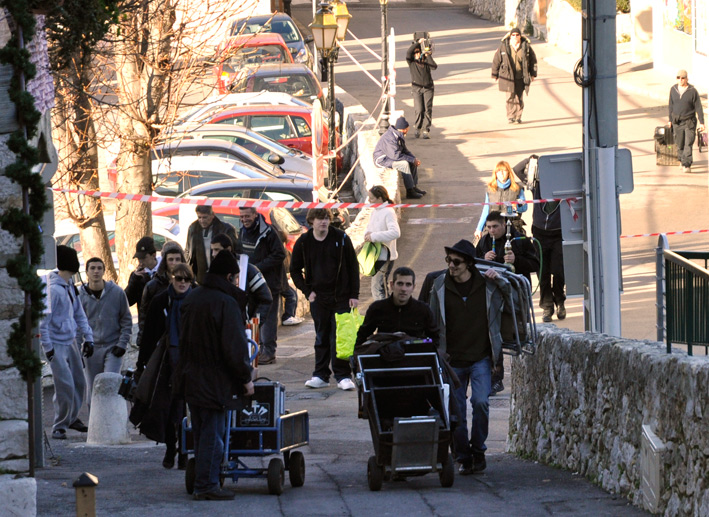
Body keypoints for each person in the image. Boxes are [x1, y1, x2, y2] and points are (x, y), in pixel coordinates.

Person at [174, 250, 254, 501]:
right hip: (214, 379)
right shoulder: (225, 303)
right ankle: (207, 485)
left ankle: (204, 480)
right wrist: (245, 378)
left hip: (191, 376)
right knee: (213, 434)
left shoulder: (192, 297)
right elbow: (234, 346)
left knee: (200, 432)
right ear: (229, 276)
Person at [427, 240, 499, 475]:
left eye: (456, 262)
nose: (451, 266)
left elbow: (514, 299)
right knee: (455, 412)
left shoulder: (487, 284)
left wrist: (498, 277)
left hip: (480, 358)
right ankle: (462, 456)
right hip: (451, 361)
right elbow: (429, 318)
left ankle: (478, 451)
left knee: (481, 402)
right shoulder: (438, 285)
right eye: (448, 261)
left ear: (469, 263)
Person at [290, 208, 359, 391]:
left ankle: (343, 375)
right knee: (321, 336)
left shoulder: (341, 238)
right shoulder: (304, 242)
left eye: (326, 219)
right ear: (311, 221)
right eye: (319, 219)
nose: (323, 222)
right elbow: (295, 270)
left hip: (341, 296)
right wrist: (307, 292)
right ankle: (320, 374)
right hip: (318, 297)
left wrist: (354, 294)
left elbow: (353, 266)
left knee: (340, 337)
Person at [140, 263, 194, 470]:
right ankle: (173, 449)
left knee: (188, 409)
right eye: (178, 278)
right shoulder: (161, 300)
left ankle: (184, 452)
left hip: (191, 361)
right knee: (171, 410)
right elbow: (149, 334)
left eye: (186, 279)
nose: (182, 282)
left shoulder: (196, 300)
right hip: (167, 361)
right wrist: (142, 363)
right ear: (171, 278)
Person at [40, 245, 94, 439]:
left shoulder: (70, 285)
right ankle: (59, 425)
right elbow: (43, 322)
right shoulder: (53, 290)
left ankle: (71, 417)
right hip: (56, 343)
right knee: (64, 385)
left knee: (79, 383)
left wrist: (88, 337)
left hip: (70, 340)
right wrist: (49, 348)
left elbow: (79, 313)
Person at [514, 155, 566, 323]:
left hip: (558, 233)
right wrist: (531, 160)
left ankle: (559, 300)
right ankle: (547, 307)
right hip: (540, 233)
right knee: (542, 273)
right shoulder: (536, 185)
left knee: (558, 272)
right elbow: (516, 169)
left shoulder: (563, 186)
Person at [78, 257, 132, 412]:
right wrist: (78, 349)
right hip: (91, 348)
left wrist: (122, 344)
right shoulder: (80, 296)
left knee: (110, 384)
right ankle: (95, 427)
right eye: (92, 268)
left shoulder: (117, 293)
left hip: (112, 346)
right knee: (93, 388)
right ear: (86, 272)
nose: (96, 271)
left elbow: (126, 321)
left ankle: (112, 423)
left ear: (104, 270)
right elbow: (76, 325)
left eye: (99, 268)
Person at [239, 207, 286, 364]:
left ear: (255, 214)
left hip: (269, 284)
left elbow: (279, 255)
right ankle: (254, 349)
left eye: (247, 216)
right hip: (250, 284)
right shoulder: (242, 231)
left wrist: (258, 268)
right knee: (253, 318)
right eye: (242, 216)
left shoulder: (269, 233)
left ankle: (269, 352)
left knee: (268, 320)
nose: (244, 219)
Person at [354, 266, 438, 350]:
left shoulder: (423, 310)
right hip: (385, 359)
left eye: (408, 285)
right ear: (392, 285)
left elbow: (435, 339)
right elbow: (363, 335)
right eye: (400, 284)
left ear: (413, 287)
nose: (404, 289)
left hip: (414, 358)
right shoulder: (377, 308)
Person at [136, 241, 186, 372]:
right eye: (171, 259)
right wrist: (142, 341)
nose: (174, 263)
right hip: (159, 337)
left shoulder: (189, 285)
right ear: (165, 261)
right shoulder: (153, 286)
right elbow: (144, 316)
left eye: (177, 259)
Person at [210, 233, 272, 327]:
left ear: (228, 249)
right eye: (212, 250)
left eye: (217, 249)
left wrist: (254, 325)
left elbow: (265, 299)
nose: (213, 254)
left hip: (245, 329)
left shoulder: (247, 269)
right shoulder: (212, 272)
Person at [475, 211, 539, 282]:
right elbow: (473, 263)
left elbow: (535, 265)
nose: (492, 230)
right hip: (492, 287)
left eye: (495, 226)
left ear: (504, 224)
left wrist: (516, 260)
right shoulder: (484, 241)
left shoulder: (519, 240)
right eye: (489, 227)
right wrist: (484, 259)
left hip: (516, 285)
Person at [373, 117, 427, 199]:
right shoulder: (389, 138)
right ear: (404, 129)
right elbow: (395, 156)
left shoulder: (398, 135)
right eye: (408, 128)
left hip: (390, 157)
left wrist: (413, 159)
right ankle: (410, 191)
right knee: (404, 164)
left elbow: (405, 150)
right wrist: (411, 159)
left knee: (412, 162)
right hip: (383, 160)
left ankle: (414, 186)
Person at [491, 27, 537, 124]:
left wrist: (533, 74)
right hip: (508, 76)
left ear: (520, 36)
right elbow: (497, 60)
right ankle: (511, 116)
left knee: (519, 97)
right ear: (510, 36)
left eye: (517, 35)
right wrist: (495, 74)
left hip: (521, 76)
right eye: (513, 35)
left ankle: (518, 116)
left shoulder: (526, 47)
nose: (515, 37)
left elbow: (533, 61)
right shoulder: (504, 47)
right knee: (510, 97)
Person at [363, 185, 401, 301]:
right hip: (376, 254)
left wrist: (374, 236)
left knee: (379, 286)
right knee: (377, 286)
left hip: (385, 255)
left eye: (372, 198)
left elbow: (395, 232)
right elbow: (371, 227)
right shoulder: (376, 211)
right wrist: (368, 233)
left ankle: (384, 313)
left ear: (380, 198)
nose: (369, 201)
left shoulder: (388, 212)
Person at [474, 160, 528, 241]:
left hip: (512, 228)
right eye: (498, 171)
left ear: (508, 172)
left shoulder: (518, 188)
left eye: (504, 171)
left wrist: (516, 206)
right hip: (493, 229)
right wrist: (479, 229)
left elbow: (524, 207)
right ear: (495, 173)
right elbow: (485, 210)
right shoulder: (490, 189)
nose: (501, 174)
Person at [185, 206, 237, 284]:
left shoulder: (226, 229)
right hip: (200, 279)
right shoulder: (193, 229)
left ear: (212, 215)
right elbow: (188, 252)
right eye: (199, 217)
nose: (202, 221)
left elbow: (235, 252)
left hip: (221, 277)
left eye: (205, 217)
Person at [668, 69, 706, 173]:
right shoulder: (673, 90)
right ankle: (681, 159)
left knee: (688, 143)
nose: (680, 80)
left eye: (682, 78)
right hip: (677, 121)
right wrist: (670, 120)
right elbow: (670, 106)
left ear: (686, 79)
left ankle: (687, 164)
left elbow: (698, 107)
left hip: (689, 122)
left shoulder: (692, 91)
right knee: (679, 143)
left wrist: (702, 122)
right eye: (678, 78)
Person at [406, 36, 438, 139]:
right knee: (419, 109)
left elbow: (434, 66)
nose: (417, 54)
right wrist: (417, 43)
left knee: (427, 109)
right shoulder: (411, 63)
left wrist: (427, 54)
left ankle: (426, 130)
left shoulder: (426, 62)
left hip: (428, 88)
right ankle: (418, 127)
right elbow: (408, 53)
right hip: (417, 88)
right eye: (415, 52)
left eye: (418, 52)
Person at [124, 236, 161, 307]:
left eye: (144, 258)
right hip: (145, 317)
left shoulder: (164, 271)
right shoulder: (137, 275)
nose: (140, 261)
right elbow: (127, 301)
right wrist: (134, 281)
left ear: (153, 255)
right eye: (139, 258)